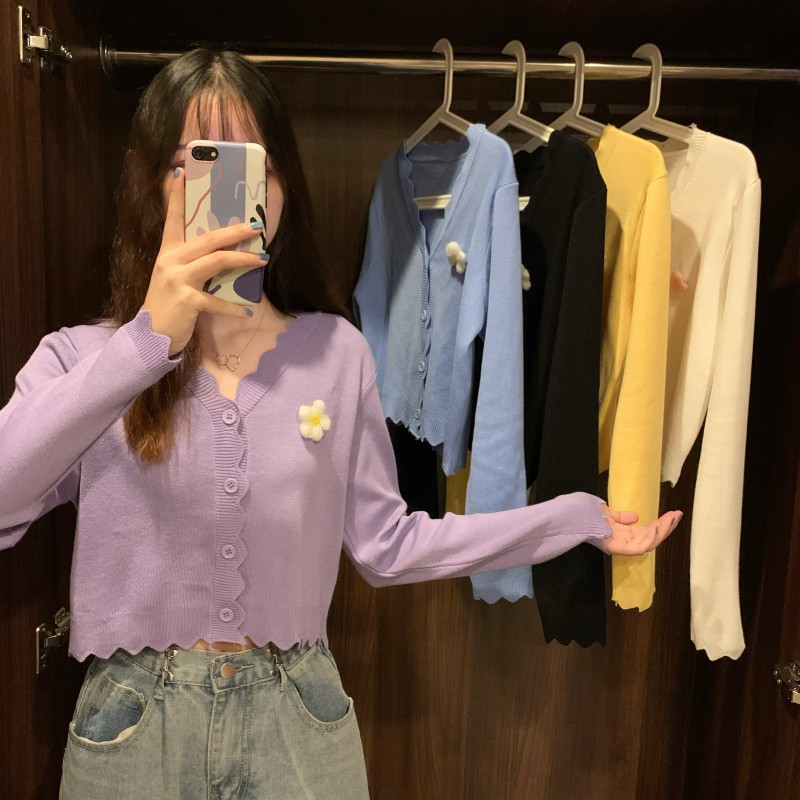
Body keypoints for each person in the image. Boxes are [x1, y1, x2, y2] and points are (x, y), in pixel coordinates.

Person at [0, 48, 682, 799]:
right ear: (148, 184)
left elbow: (388, 545)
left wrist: (570, 518)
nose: (230, 195)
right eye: (194, 165)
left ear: (284, 189)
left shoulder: (336, 352)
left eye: (254, 168)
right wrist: (145, 343)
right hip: (135, 729)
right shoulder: (82, 360)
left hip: (297, 721)